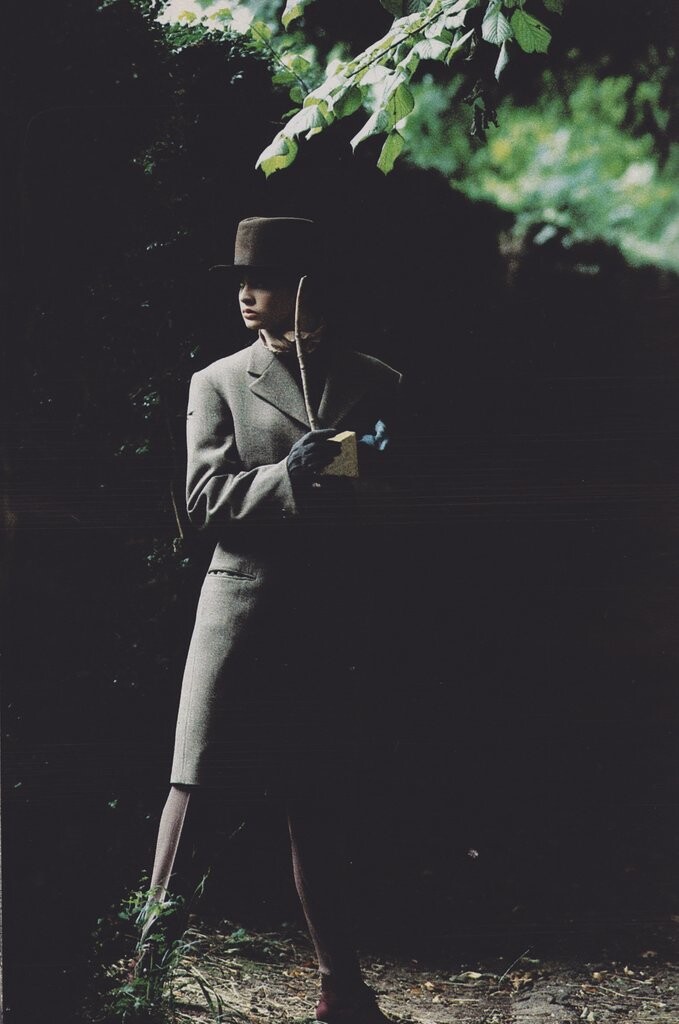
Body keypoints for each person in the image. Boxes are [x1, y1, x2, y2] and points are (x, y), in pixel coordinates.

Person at [141, 216, 403, 1024]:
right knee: (192, 790)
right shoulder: (218, 381)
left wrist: (357, 479)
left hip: (326, 622)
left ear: (305, 286)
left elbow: (404, 492)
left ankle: (341, 989)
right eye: (240, 281)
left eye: (262, 279)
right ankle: (139, 977)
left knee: (315, 802)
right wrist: (286, 476)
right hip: (240, 613)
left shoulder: (374, 382)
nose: (245, 295)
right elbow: (201, 503)